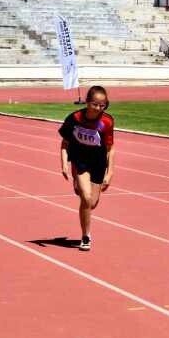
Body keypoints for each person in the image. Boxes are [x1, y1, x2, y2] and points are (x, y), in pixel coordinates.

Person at [59, 86, 115, 251]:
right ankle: (86, 236)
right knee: (86, 197)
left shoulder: (107, 121)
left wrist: (110, 172)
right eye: (94, 104)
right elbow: (65, 143)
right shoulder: (74, 118)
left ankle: (83, 191)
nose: (98, 108)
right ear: (87, 102)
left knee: (92, 203)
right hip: (80, 160)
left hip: (98, 163)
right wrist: (63, 164)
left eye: (102, 105)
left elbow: (111, 148)